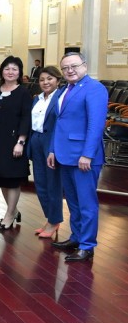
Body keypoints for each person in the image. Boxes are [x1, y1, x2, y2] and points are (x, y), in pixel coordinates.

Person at [49, 52, 108, 262]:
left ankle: (87, 245)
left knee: (86, 203)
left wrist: (87, 154)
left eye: (74, 66)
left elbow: (95, 125)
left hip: (84, 157)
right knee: (73, 202)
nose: (70, 70)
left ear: (85, 65)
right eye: (65, 68)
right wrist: (52, 149)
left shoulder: (95, 88)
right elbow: (59, 123)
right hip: (65, 155)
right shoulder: (65, 89)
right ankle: (76, 238)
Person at [0, 55, 32, 231]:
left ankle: (9, 214)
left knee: (12, 179)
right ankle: (13, 210)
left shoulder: (23, 92)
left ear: (20, 72)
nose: (10, 72)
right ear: (2, 71)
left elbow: (26, 118)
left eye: (14, 69)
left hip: (13, 141)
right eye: (7, 68)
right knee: (1, 178)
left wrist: (21, 141)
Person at [28, 66, 62, 238]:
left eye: (49, 78)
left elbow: (60, 125)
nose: (45, 82)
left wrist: (53, 149)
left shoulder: (61, 97)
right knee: (40, 183)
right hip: (36, 140)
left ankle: (54, 221)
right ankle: (50, 219)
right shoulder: (37, 99)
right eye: (42, 80)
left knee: (52, 184)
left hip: (51, 142)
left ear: (58, 80)